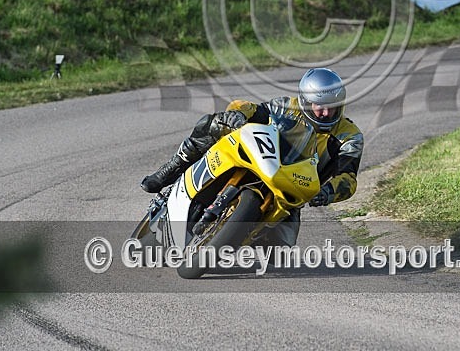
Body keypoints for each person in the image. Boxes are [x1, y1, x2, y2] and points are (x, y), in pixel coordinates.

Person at [140, 68, 364, 247]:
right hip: (262, 159)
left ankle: (227, 244)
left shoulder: (349, 136)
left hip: (292, 189)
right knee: (215, 124)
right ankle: (172, 168)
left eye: (332, 108)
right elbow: (253, 109)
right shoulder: (286, 106)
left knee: (280, 252)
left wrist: (326, 193)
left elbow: (348, 178)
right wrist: (238, 114)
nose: (326, 113)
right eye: (319, 107)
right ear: (306, 101)